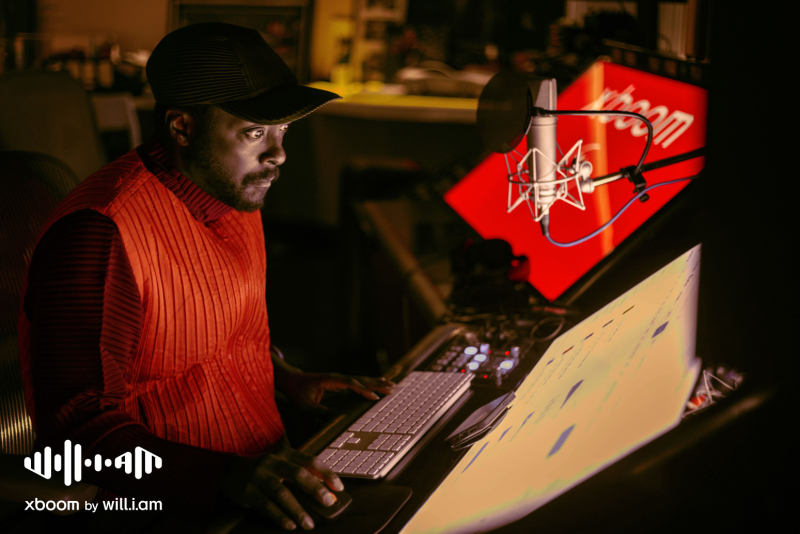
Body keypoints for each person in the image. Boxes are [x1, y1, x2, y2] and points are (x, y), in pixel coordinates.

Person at [19, 22, 394, 531]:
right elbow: (73, 430)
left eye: (283, 130)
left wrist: (286, 378)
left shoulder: (233, 191)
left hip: (266, 480)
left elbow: (211, 336)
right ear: (182, 128)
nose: (278, 154)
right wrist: (225, 476)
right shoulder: (101, 235)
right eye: (255, 133)